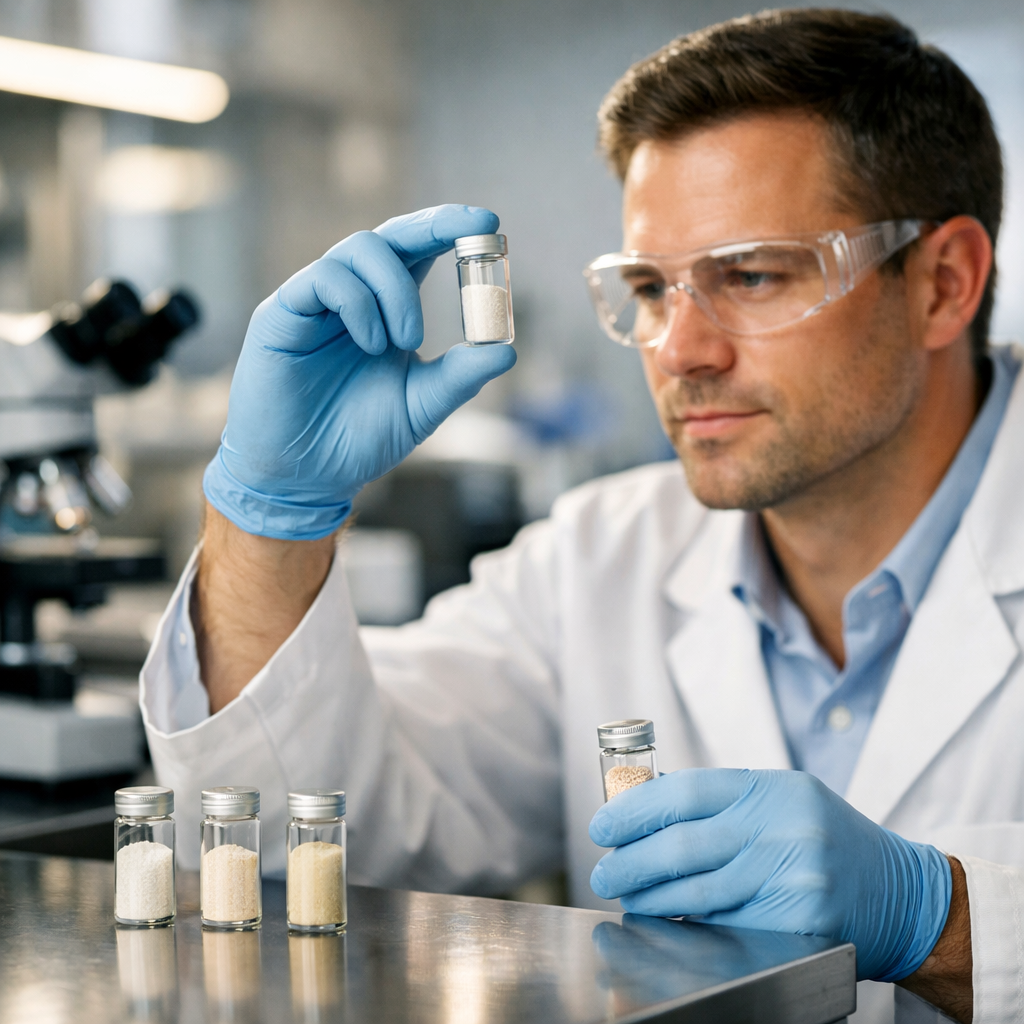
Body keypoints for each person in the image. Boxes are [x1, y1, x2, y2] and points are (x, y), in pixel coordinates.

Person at [139, 9, 1024, 1021]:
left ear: (943, 284)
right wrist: (271, 513)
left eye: (751, 275)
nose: (679, 351)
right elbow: (298, 842)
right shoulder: (594, 560)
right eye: (649, 288)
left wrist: (945, 918)